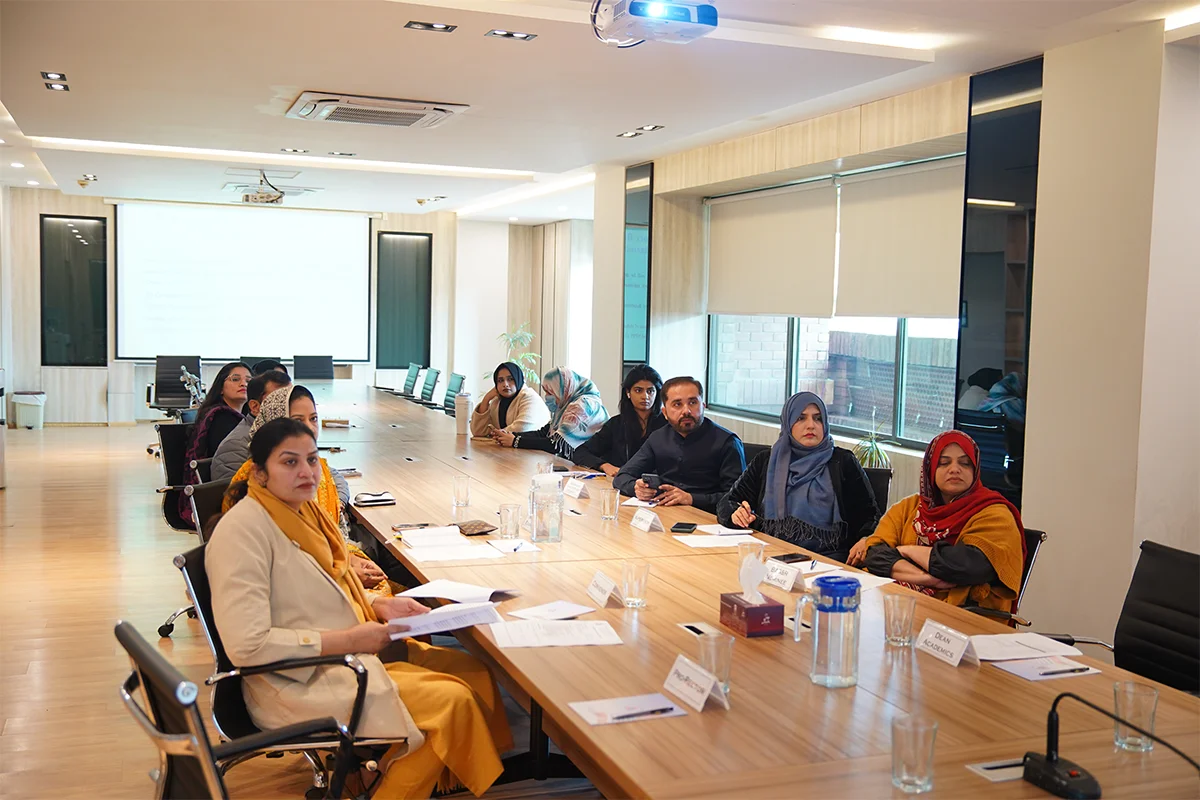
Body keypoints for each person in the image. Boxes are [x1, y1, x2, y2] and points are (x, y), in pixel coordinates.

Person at [206, 418, 512, 798]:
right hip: (293, 681)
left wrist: (378, 604)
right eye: (289, 462)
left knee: (474, 672)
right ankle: (391, 778)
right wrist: (351, 639)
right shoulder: (242, 532)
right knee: (453, 703)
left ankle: (437, 776)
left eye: (312, 460)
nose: (306, 472)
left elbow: (320, 590)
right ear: (259, 473)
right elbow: (247, 646)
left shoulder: (304, 514)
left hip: (341, 655)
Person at [224, 384, 394, 594]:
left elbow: (334, 539)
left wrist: (351, 558)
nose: (310, 428)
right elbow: (281, 567)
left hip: (325, 575)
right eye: (298, 420)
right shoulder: (256, 480)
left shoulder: (316, 469)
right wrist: (345, 572)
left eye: (313, 419)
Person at [860, 430, 1025, 611]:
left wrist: (905, 550)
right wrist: (928, 579)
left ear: (975, 470)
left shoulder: (994, 513)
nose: (954, 469)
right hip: (903, 603)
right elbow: (875, 554)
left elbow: (969, 566)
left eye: (965, 463)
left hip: (964, 614)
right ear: (930, 469)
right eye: (944, 462)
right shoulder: (910, 507)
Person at [716, 392, 880, 562]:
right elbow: (727, 503)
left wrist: (865, 539)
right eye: (801, 418)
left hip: (828, 560)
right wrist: (735, 514)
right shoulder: (767, 461)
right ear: (788, 423)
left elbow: (871, 516)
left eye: (818, 419)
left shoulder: (842, 462)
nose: (811, 425)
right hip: (773, 556)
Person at [613, 377, 745, 513]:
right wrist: (636, 488)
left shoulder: (727, 442)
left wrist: (691, 498)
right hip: (666, 513)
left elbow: (737, 498)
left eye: (693, 403)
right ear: (665, 412)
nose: (686, 411)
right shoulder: (658, 438)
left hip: (708, 517)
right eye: (677, 404)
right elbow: (622, 477)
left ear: (703, 406)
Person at [180, 361, 251, 523]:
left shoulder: (234, 417)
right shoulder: (222, 419)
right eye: (235, 379)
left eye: (248, 380)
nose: (243, 384)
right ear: (220, 388)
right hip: (218, 495)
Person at [489, 367, 608, 458]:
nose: (546, 396)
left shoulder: (583, 406)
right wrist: (512, 435)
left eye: (550, 392)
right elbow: (543, 433)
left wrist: (515, 441)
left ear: (562, 389)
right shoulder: (565, 406)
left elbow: (556, 444)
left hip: (592, 468)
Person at [573, 365, 666, 477]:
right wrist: (605, 465)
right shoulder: (616, 424)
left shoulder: (668, 424)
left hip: (656, 483)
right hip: (622, 482)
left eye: (650, 391)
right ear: (628, 392)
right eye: (638, 390)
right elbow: (580, 452)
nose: (645, 396)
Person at [212, 369, 291, 482]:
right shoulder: (236, 447)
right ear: (255, 407)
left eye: (291, 399)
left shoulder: (288, 436)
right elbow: (235, 492)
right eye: (280, 401)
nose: (291, 407)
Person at [469, 362, 551, 437]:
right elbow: (478, 431)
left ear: (518, 379)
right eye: (500, 380)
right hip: (508, 447)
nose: (505, 384)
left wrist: (496, 434)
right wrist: (486, 399)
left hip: (534, 448)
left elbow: (523, 428)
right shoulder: (497, 401)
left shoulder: (530, 397)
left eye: (510, 379)